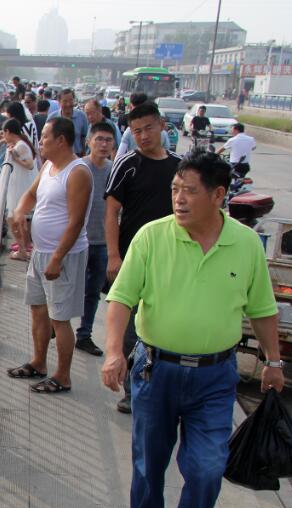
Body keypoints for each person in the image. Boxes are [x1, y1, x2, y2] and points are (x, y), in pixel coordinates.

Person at [101, 151, 282, 508]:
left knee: (205, 468)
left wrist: (275, 363)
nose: (179, 200)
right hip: (155, 371)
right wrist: (112, 353)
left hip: (214, 379)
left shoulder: (244, 246)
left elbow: (262, 310)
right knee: (149, 461)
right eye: (175, 191)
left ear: (219, 195)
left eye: (189, 191)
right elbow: (122, 299)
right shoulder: (151, 237)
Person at [105, 101, 182, 414]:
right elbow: (111, 212)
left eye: (148, 128)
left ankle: (161, 388)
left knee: (165, 326)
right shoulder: (127, 164)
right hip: (133, 260)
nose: (143, 136)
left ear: (161, 125)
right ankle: (131, 391)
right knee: (132, 329)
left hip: (173, 262)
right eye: (136, 131)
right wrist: (113, 256)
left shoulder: (179, 167)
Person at [6, 117, 92, 395]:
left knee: (60, 317)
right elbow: (30, 195)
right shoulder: (48, 166)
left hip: (63, 256)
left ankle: (63, 376)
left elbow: (76, 222)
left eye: (44, 137)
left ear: (61, 141)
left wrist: (57, 257)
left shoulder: (78, 172)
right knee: (38, 310)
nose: (40, 142)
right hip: (40, 253)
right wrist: (19, 211)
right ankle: (39, 362)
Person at [75, 121, 117, 357]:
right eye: (99, 139)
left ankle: (84, 335)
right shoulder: (79, 168)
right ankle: (56, 325)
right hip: (78, 240)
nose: (103, 144)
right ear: (89, 141)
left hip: (102, 242)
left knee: (93, 292)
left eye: (108, 140)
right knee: (69, 287)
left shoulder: (114, 170)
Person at [1, 118, 39, 261]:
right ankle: (24, 247)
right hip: (21, 184)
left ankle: (23, 250)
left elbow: (28, 165)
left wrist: (14, 156)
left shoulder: (21, 145)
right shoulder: (21, 142)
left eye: (4, 133)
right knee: (19, 219)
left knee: (13, 218)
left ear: (8, 131)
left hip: (21, 185)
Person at [55, 88, 88, 156]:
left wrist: (84, 154)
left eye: (71, 100)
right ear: (59, 102)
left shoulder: (81, 116)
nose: (68, 104)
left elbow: (84, 137)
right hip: (58, 156)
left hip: (77, 155)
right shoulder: (53, 118)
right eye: (65, 101)